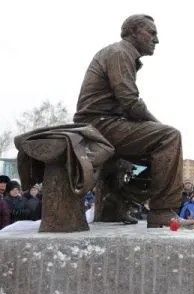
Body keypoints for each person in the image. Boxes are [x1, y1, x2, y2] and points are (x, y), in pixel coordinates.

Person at [73, 14, 183, 227]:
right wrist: (158, 125)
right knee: (169, 137)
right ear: (132, 33)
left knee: (160, 153)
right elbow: (130, 102)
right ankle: (161, 211)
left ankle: (121, 197)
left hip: (104, 123)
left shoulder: (121, 54)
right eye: (151, 33)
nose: (156, 39)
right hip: (98, 124)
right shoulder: (119, 52)